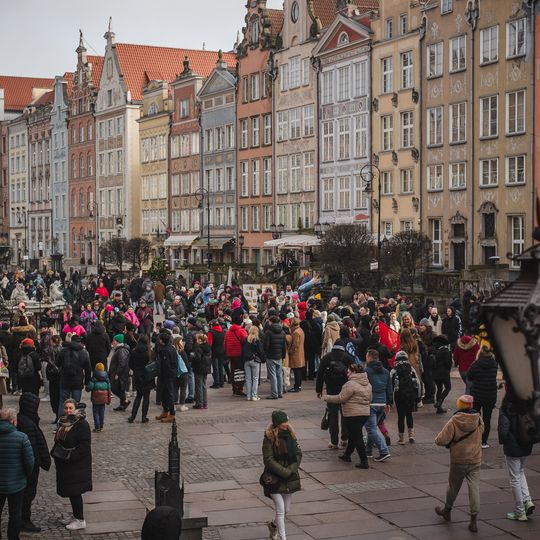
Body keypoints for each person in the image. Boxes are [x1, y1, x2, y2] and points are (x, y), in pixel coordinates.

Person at [435, 394, 484, 533]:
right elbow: (482, 432)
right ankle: (474, 519)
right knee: (474, 488)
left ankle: (447, 510)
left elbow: (440, 440)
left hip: (459, 460)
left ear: (459, 405)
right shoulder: (478, 418)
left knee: (453, 486)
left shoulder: (454, 421)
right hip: (475, 459)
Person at [51, 399, 92, 531]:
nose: (68, 410)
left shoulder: (82, 424)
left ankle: (80, 520)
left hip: (76, 465)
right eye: (66, 408)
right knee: (70, 491)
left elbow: (84, 446)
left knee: (75, 492)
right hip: (66, 464)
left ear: (75, 409)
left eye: (70, 408)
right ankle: (75, 516)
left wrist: (69, 456)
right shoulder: (63, 422)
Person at [262, 410, 302, 540]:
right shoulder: (269, 438)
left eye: (286, 421)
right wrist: (284, 472)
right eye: (283, 422)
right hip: (274, 479)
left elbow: (298, 454)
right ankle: (283, 538)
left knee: (286, 510)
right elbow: (268, 459)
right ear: (277, 423)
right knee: (280, 510)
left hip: (289, 478)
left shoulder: (291, 435)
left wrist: (291, 470)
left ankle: (273, 525)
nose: (286, 424)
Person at [498, 388, 536, 521]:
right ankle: (527, 500)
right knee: (520, 472)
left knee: (514, 478)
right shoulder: (527, 406)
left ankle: (520, 512)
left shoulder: (506, 408)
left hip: (513, 446)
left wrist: (504, 442)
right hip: (526, 444)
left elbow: (503, 431)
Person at [324, 364, 372, 468]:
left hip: (353, 414)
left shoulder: (350, 384)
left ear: (354, 372)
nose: (347, 374)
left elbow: (341, 398)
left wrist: (327, 397)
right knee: (353, 435)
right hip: (365, 413)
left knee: (357, 437)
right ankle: (347, 455)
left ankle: (364, 461)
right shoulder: (368, 384)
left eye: (349, 372)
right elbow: (370, 398)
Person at [16, 393, 51, 533]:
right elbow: (32, 449)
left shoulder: (22, 420)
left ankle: (22, 519)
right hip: (28, 469)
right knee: (27, 495)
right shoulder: (28, 424)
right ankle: (23, 521)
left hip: (25, 468)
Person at [0, 407, 34, 540]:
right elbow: (30, 461)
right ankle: (13, 537)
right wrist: (25, 475)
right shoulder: (21, 437)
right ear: (13, 421)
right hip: (17, 483)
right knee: (15, 513)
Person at [316, 340, 351, 449]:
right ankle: (344, 438)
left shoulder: (326, 357)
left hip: (331, 390)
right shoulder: (347, 358)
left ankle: (334, 441)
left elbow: (320, 374)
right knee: (345, 414)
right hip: (345, 389)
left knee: (333, 415)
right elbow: (354, 373)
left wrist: (319, 390)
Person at [363, 348, 393, 457]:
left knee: (371, 429)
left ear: (370, 357)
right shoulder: (386, 371)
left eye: (366, 357)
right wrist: (389, 402)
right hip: (382, 403)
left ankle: (384, 450)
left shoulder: (366, 371)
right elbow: (389, 388)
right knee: (373, 427)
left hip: (371, 403)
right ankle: (368, 451)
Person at [467, 346, 498, 449]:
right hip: (490, 394)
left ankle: (475, 439)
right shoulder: (494, 364)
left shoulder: (475, 364)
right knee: (487, 419)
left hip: (477, 394)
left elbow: (470, 377)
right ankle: (484, 442)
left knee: (475, 417)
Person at [56, 335, 91, 419]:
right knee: (76, 403)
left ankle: (61, 423)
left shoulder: (64, 351)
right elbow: (88, 369)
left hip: (65, 380)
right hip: (77, 381)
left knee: (62, 403)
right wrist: (87, 382)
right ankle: (74, 422)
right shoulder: (84, 352)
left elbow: (57, 363)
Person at [391, 350, 421, 444]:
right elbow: (418, 383)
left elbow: (390, 385)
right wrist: (419, 397)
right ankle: (411, 435)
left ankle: (401, 438)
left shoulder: (394, 370)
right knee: (409, 414)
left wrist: (390, 399)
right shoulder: (411, 369)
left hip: (399, 395)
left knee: (401, 416)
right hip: (410, 394)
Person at [128, 335, 154, 423]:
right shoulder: (149, 352)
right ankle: (144, 417)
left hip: (137, 375)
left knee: (138, 397)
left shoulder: (134, 351)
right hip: (147, 376)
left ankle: (132, 416)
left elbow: (130, 364)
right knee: (146, 397)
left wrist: (136, 370)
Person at [155, 333, 178, 423]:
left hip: (167, 375)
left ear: (162, 340)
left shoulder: (165, 350)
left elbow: (165, 365)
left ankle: (172, 413)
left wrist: (161, 374)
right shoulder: (171, 347)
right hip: (170, 374)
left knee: (168, 394)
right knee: (164, 393)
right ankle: (165, 411)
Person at [263, 316, 287, 400]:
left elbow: (266, 345)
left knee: (272, 375)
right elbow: (284, 346)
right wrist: (283, 355)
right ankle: (280, 392)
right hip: (279, 355)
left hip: (270, 356)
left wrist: (265, 354)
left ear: (271, 322)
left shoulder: (268, 332)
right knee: (279, 375)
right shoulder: (283, 332)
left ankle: (274, 393)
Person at [223, 314, 247, 396]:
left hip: (230, 354)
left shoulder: (228, 331)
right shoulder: (241, 331)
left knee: (233, 371)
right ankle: (239, 389)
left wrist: (227, 352)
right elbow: (245, 341)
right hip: (240, 354)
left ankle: (234, 388)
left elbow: (225, 343)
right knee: (241, 371)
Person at [86, 363, 111, 432]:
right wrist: (109, 399)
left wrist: (87, 387)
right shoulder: (107, 379)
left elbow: (88, 388)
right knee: (102, 412)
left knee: (96, 413)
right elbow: (109, 390)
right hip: (103, 399)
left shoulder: (94, 379)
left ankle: (97, 427)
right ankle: (101, 425)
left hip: (95, 399)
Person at [241, 325, 264, 401]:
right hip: (255, 360)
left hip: (246, 360)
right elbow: (260, 351)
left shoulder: (245, 339)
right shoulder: (257, 340)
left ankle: (248, 395)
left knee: (248, 379)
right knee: (255, 378)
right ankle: (254, 395)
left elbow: (242, 351)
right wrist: (263, 358)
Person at [109, 334, 131, 411]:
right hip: (118, 373)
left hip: (120, 374)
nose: (113, 342)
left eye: (114, 341)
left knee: (114, 388)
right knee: (119, 388)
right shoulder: (119, 349)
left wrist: (117, 373)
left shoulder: (121, 350)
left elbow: (122, 363)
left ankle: (125, 401)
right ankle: (122, 404)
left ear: (117, 341)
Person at [190, 333, 212, 410]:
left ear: (200, 340)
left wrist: (192, 356)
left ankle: (199, 403)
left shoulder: (198, 348)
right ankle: (205, 403)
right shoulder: (208, 347)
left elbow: (197, 358)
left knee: (198, 386)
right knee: (203, 386)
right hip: (206, 368)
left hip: (199, 368)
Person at [432, 334, 452, 414]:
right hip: (444, 373)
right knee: (448, 388)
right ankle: (439, 402)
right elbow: (448, 363)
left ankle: (439, 408)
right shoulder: (446, 351)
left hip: (435, 373)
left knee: (439, 388)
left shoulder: (435, 350)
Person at [288, 318, 305, 393]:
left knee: (296, 371)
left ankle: (297, 386)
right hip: (300, 352)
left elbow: (295, 344)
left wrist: (290, 351)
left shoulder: (295, 332)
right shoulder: (300, 330)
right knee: (298, 370)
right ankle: (298, 385)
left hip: (296, 354)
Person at [208, 320, 226, 389]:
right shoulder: (223, 332)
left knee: (215, 368)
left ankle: (216, 383)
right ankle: (221, 382)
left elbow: (210, 343)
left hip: (214, 351)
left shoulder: (211, 332)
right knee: (220, 367)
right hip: (222, 351)